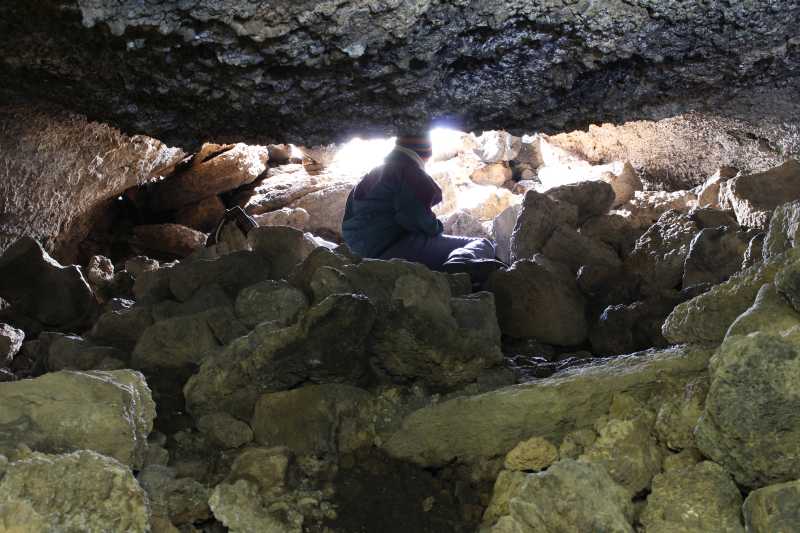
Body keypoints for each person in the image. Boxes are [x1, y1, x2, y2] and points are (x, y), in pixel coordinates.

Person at [342, 132, 505, 282]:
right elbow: (415, 219)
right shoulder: (409, 172)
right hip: (394, 249)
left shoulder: (371, 176)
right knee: (482, 244)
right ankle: (459, 265)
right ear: (425, 154)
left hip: (363, 253)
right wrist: (437, 227)